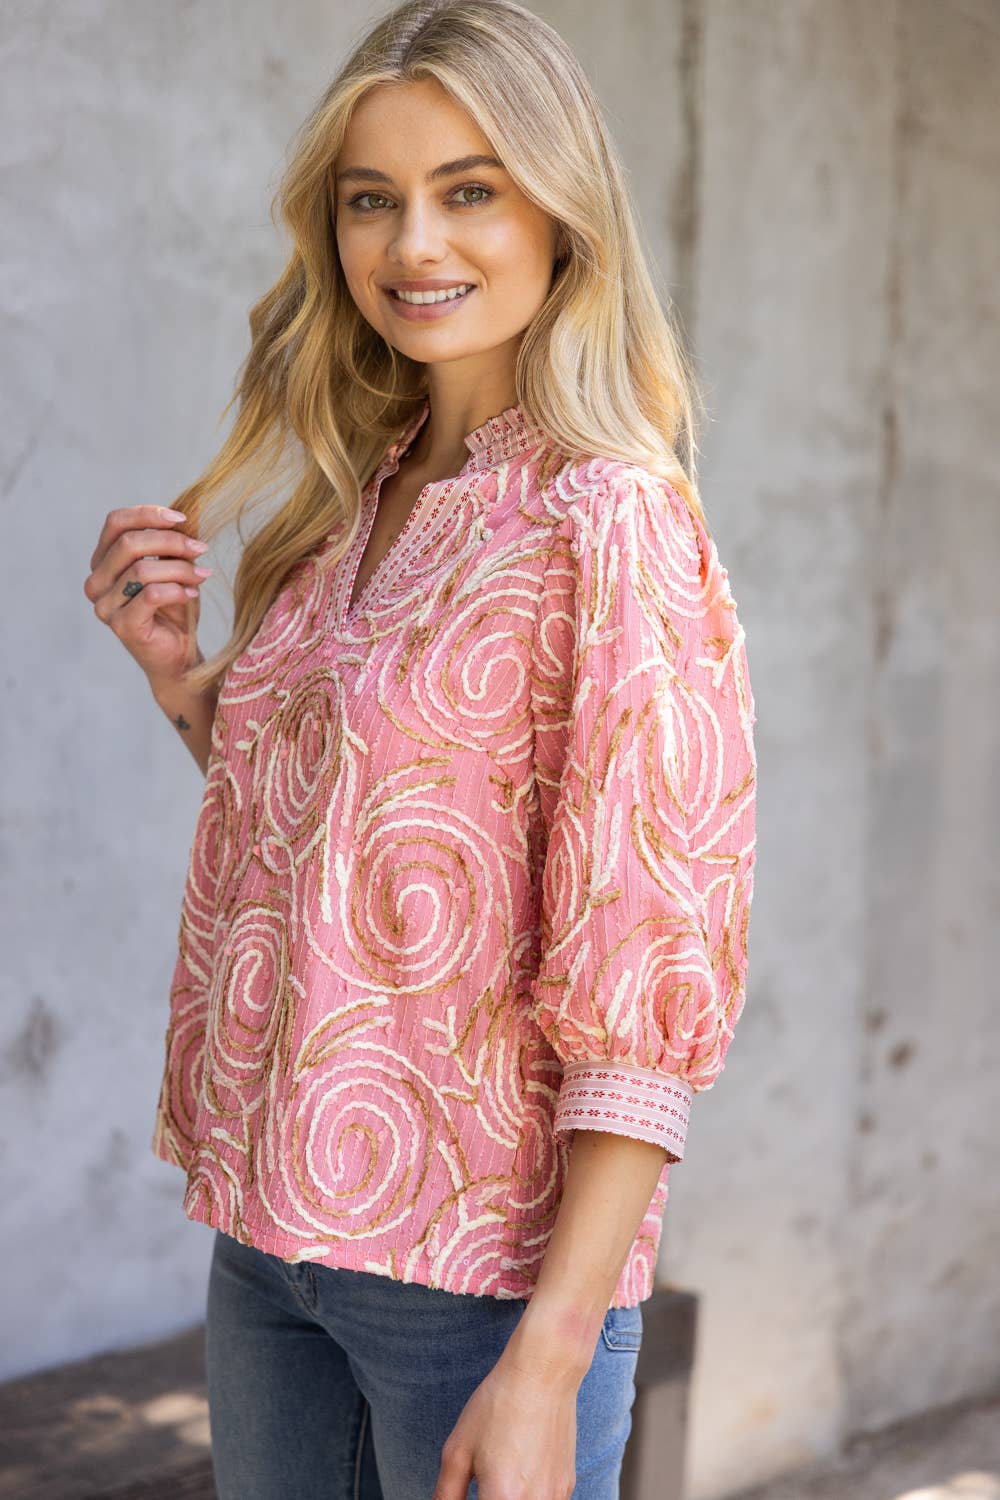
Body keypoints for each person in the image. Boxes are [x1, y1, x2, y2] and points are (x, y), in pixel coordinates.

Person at [83, 1, 757, 1495]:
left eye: (470, 190)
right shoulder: (362, 491)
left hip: (479, 1284)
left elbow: (646, 975)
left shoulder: (610, 523)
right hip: (271, 1247)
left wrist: (551, 1360)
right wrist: (182, 682)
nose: (413, 243)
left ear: (561, 214)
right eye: (370, 199)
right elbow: (350, 851)